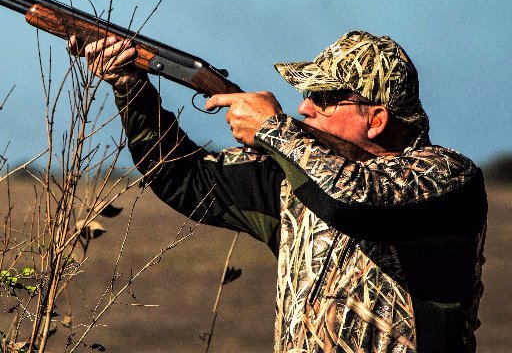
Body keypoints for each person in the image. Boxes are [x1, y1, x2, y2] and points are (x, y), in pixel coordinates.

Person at [75, 30, 487, 353]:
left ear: (376, 119)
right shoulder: (294, 176)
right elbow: (182, 180)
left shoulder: (446, 176)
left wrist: (274, 131)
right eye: (305, 95)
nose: (304, 108)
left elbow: (354, 202)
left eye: (323, 98)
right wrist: (131, 87)